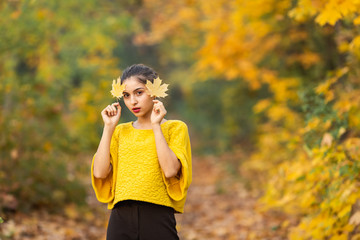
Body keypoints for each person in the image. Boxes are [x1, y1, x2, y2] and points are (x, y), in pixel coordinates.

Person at [91, 64, 192, 240]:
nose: (133, 101)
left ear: (154, 91)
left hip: (158, 216)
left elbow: (170, 170)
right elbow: (99, 172)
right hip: (120, 218)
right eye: (126, 96)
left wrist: (156, 125)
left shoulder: (175, 128)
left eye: (139, 92)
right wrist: (108, 128)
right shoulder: (119, 132)